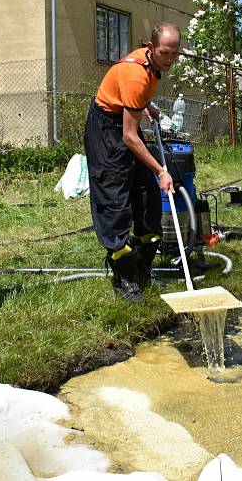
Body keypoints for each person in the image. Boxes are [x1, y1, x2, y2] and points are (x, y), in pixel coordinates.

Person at [84, 22, 179, 303]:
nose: (170, 59)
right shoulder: (137, 76)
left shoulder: (151, 66)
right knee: (115, 198)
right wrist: (161, 170)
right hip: (106, 129)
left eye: (175, 53)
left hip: (123, 122)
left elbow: (132, 96)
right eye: (165, 53)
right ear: (151, 48)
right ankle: (123, 277)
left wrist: (144, 105)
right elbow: (129, 136)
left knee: (146, 195)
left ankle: (142, 268)